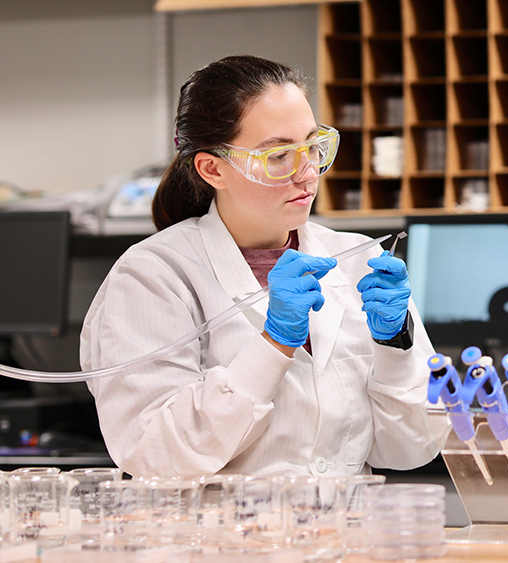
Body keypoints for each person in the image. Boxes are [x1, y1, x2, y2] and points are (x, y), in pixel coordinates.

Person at [80, 55, 447, 478]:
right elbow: (157, 456)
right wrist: (272, 347)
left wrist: (395, 347)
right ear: (213, 168)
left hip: (347, 534)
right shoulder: (153, 277)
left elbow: (410, 449)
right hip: (218, 540)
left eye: (313, 147)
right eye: (278, 156)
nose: (307, 173)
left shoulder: (358, 260)